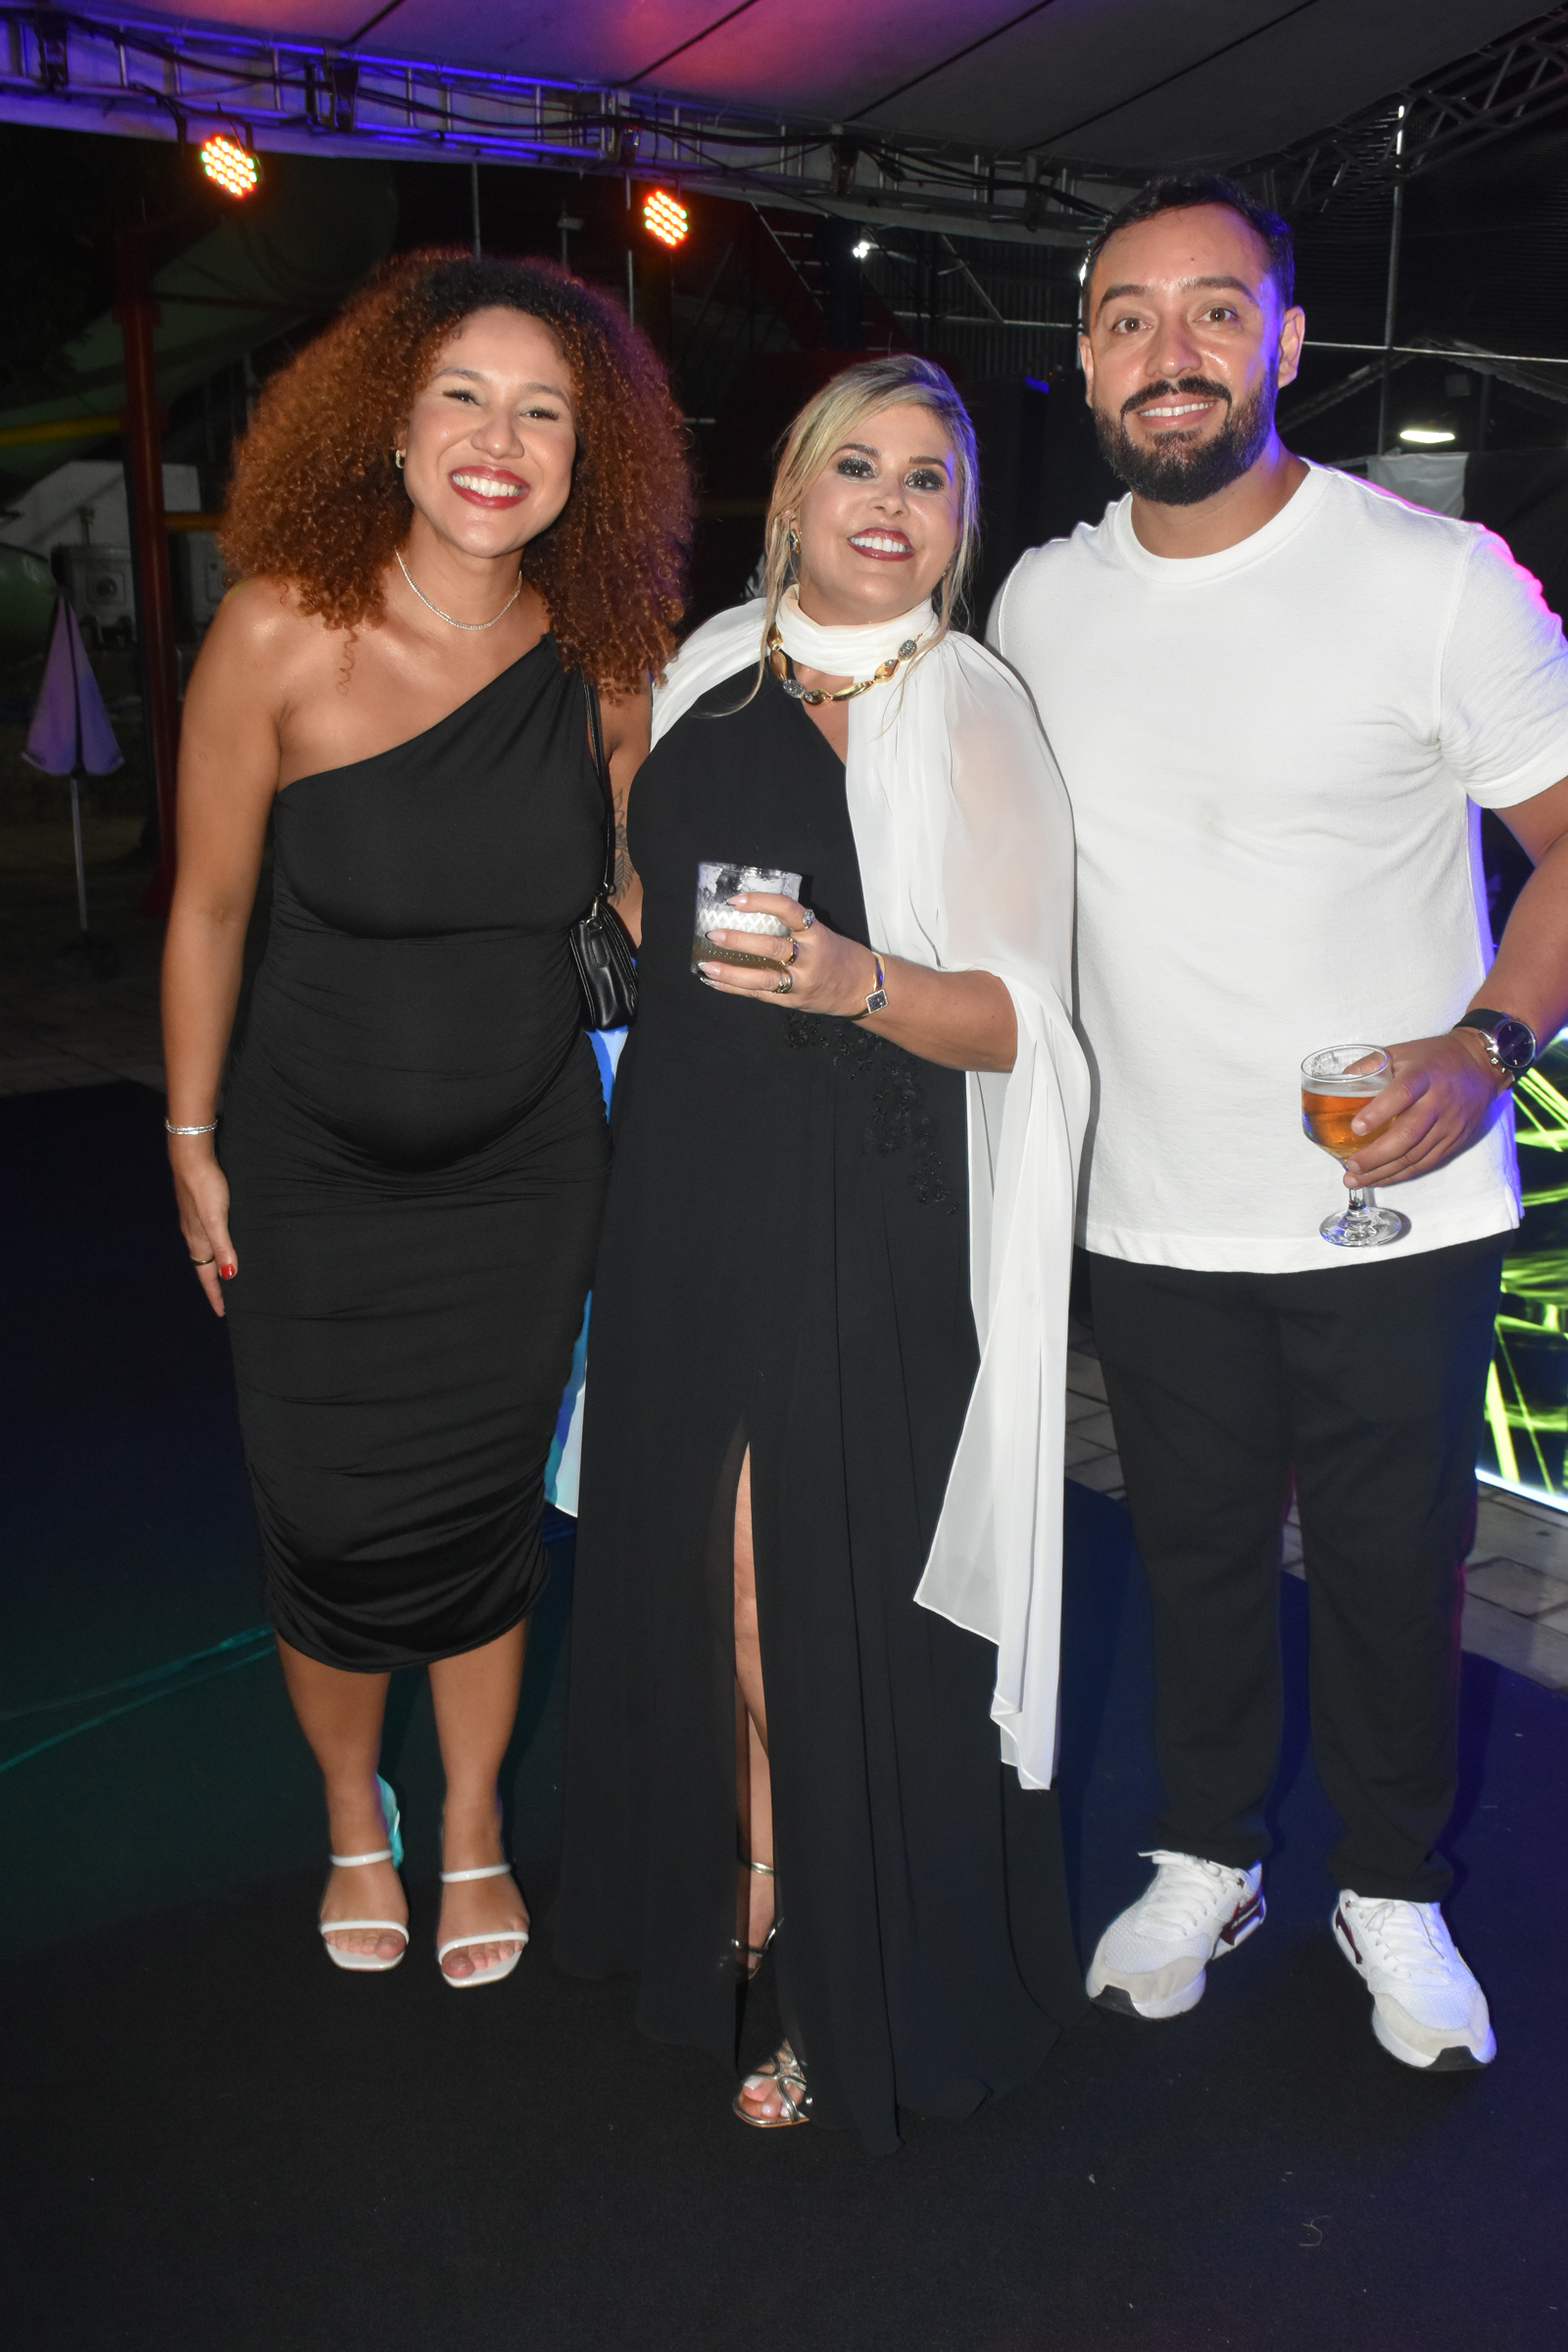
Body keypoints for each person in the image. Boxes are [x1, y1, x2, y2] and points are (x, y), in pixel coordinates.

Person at [991, 172, 1568, 2071]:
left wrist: (1488, 1042)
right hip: (1152, 1203)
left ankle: (1389, 1887)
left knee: (1396, 1570)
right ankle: (1207, 1855)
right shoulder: (1040, 600)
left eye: (1214, 311)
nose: (1171, 351)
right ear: (1086, 358)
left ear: (1287, 343)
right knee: (1194, 1558)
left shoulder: (1433, 578)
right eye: (1129, 317)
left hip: (1391, 1205)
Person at [554, 354, 1090, 2151]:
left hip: (866, 1203)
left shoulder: (974, 710)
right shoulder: (709, 668)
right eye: (858, 465)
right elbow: (648, 898)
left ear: (960, 523)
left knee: (803, 1584)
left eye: (929, 478)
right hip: (685, 1183)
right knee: (692, 1564)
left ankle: (844, 1965)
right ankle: (752, 1880)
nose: (890, 502)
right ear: (790, 494)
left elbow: (1024, 1026)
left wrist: (860, 979)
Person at [162, 252, 687, 1984]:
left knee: (481, 1513)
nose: (498, 439)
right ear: (389, 428)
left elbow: (642, 871)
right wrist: (188, 1143)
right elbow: (209, 909)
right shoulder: (277, 630)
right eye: (462, 395)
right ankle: (350, 1814)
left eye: (544, 412)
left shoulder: (605, 660)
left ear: (585, 461)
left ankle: (469, 1826)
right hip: (309, 1171)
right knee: (324, 1521)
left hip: (526, 1171)